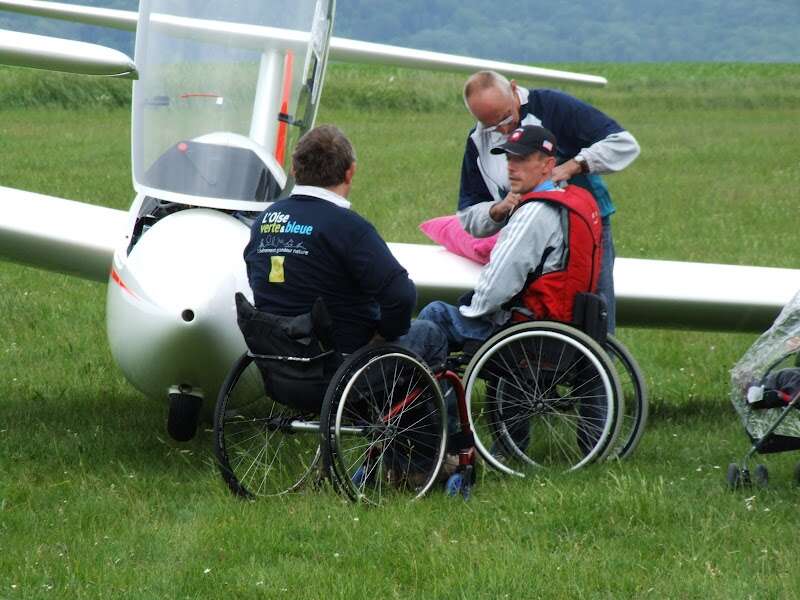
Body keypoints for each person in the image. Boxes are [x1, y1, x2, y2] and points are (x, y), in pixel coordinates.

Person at [243, 124, 447, 367]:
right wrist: (386, 334)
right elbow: (401, 295)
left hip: (279, 358)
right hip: (343, 362)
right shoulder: (349, 227)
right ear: (350, 172)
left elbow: (257, 281)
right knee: (429, 333)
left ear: (294, 169)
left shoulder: (264, 220)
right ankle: (425, 405)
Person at [458, 70, 640, 333]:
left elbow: (623, 144)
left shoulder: (553, 106)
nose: (503, 129)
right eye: (491, 126)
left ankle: (598, 368)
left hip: (583, 230)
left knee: (592, 313)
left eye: (507, 117)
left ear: (513, 88)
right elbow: (468, 212)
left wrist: (572, 167)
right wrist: (498, 209)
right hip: (526, 234)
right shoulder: (478, 141)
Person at [420, 124, 602, 348]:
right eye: (509, 159)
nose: (511, 168)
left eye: (522, 159)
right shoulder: (573, 203)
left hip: (523, 332)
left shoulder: (534, 212)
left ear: (548, 165)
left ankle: (410, 383)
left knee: (436, 313)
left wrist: (473, 310)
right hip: (564, 328)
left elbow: (501, 279)